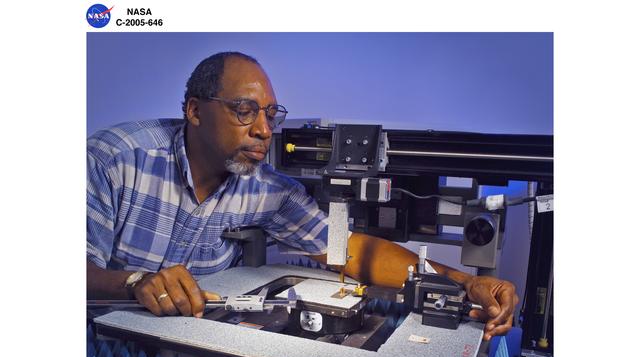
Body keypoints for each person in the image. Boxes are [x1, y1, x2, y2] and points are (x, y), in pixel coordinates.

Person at [87, 51, 518, 341]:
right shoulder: (116, 160)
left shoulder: (265, 188)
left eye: (271, 115)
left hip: (189, 349)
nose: (263, 130)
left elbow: (345, 248)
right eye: (244, 111)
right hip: (101, 350)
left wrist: (464, 282)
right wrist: (135, 283)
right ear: (195, 110)